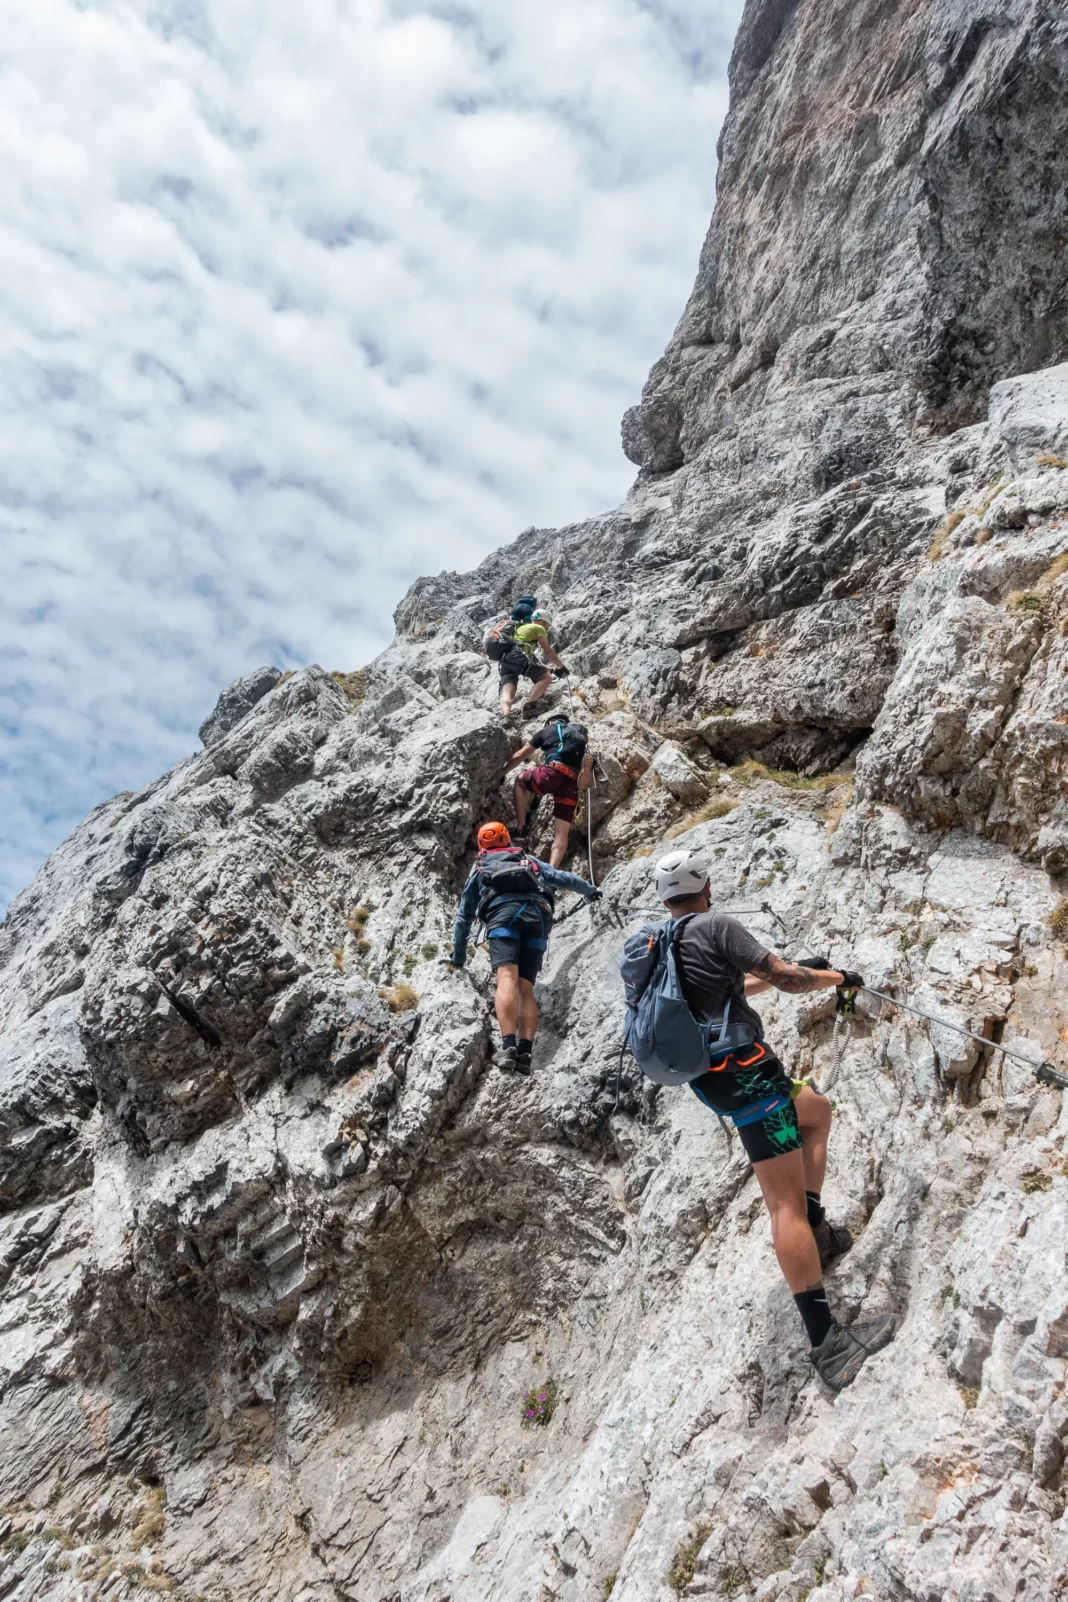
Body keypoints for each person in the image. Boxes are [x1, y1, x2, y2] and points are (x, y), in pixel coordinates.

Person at [644, 847, 896, 1392]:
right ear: (704, 886)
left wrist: (812, 973)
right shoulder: (716, 925)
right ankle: (829, 1347)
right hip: (750, 1078)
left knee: (816, 1112)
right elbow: (784, 979)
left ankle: (818, 1230)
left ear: (666, 898)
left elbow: (740, 987)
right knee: (782, 1205)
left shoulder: (665, 942)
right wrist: (832, 975)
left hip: (719, 1076)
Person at [452, 821, 600, 1073]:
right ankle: (526, 1054)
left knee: (506, 977)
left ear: (481, 845)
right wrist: (590, 891)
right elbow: (562, 878)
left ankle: (508, 1046)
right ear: (507, 838)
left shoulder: (481, 867)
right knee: (525, 988)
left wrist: (458, 956)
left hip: (503, 917)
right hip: (538, 917)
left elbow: (464, 916)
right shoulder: (525, 859)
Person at [506, 712, 593, 867]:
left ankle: (521, 828)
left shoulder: (548, 730)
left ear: (549, 722)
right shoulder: (578, 735)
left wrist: (502, 772)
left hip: (553, 773)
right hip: (573, 782)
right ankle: (552, 871)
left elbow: (520, 755)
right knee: (561, 833)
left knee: (519, 782)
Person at [498, 609, 568, 717]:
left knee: (508, 688)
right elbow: (548, 651)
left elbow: (533, 663)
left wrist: (553, 670)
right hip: (518, 656)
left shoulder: (522, 629)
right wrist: (561, 666)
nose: (546, 630)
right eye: (547, 627)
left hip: (505, 660)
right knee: (546, 678)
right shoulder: (538, 628)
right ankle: (529, 708)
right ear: (542, 621)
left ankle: (506, 715)